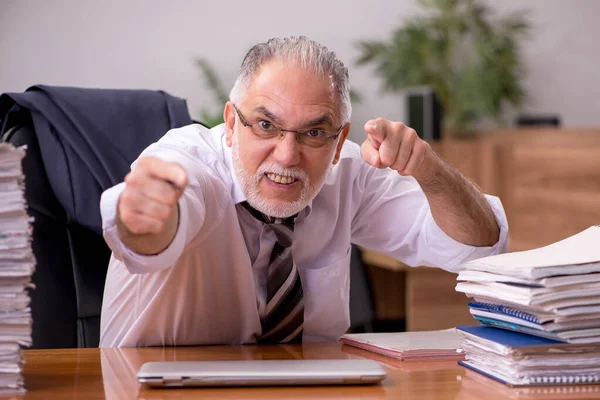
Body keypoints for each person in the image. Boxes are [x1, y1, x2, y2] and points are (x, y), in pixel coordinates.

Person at [99, 36, 508, 347]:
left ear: (338, 138)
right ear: (230, 121)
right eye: (265, 125)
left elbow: (476, 248)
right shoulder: (190, 162)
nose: (288, 154)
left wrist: (429, 170)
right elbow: (153, 231)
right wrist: (144, 215)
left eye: (314, 132)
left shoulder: (347, 171)